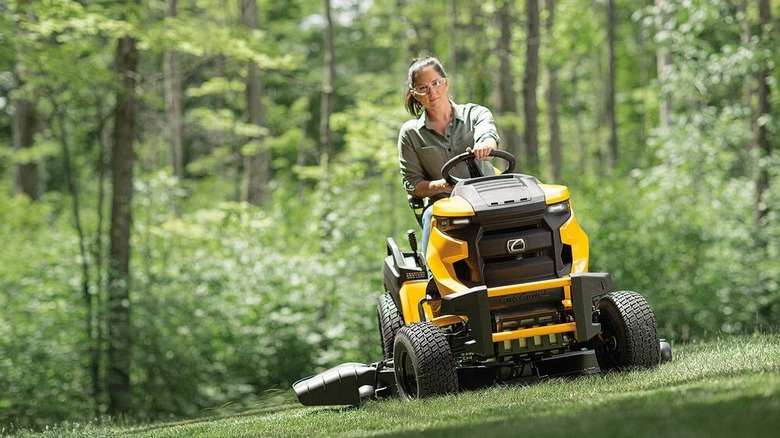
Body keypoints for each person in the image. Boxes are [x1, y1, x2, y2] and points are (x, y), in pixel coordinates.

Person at [397, 56, 500, 268]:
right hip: (446, 206)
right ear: (414, 94)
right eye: (423, 88)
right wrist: (442, 185)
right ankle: (434, 284)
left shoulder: (476, 113)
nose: (432, 92)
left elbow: (487, 133)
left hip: (490, 198)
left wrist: (486, 144)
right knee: (431, 215)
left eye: (435, 83)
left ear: (446, 83)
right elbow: (413, 185)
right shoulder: (411, 134)